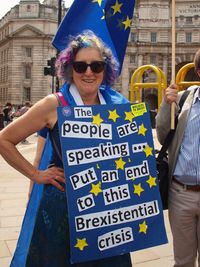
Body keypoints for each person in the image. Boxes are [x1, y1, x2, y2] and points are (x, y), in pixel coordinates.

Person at [0, 30, 132, 267]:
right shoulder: (54, 104)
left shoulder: (119, 105)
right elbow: (4, 140)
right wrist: (36, 174)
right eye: (81, 66)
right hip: (63, 213)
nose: (89, 72)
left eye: (97, 66)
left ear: (106, 69)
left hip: (108, 215)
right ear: (70, 68)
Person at [156, 49, 200, 267]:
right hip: (181, 193)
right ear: (198, 72)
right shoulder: (184, 100)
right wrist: (166, 104)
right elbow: (163, 135)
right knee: (183, 261)